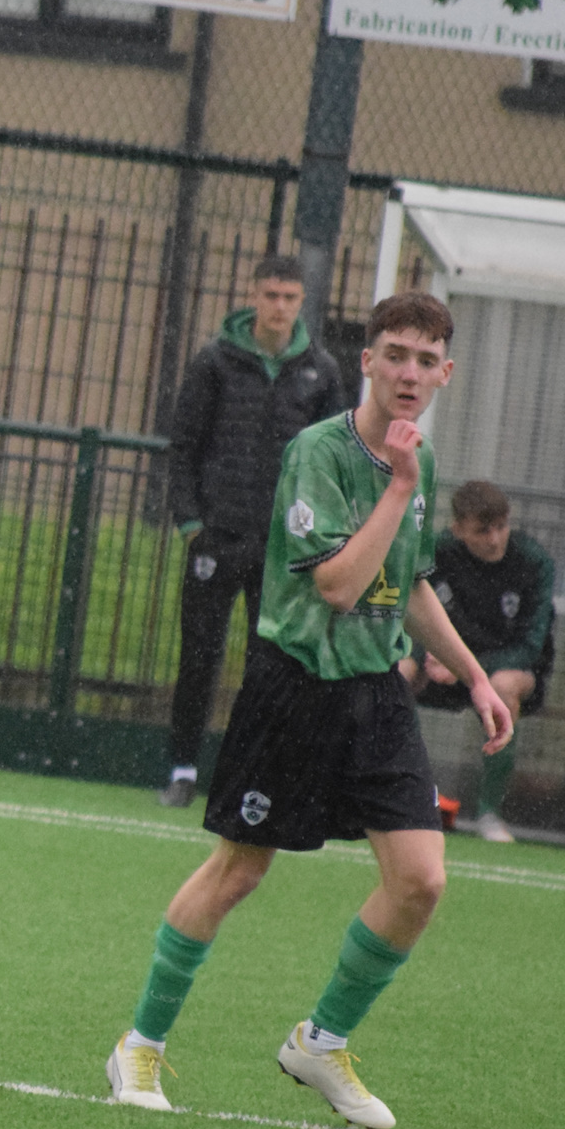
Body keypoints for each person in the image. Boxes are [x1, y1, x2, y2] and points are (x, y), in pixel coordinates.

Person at [104, 291, 511, 1129]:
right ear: (366, 361)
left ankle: (321, 1042)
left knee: (421, 880)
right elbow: (336, 583)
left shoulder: (419, 464)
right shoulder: (319, 452)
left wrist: (472, 674)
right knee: (240, 871)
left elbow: (411, 583)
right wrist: (396, 489)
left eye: (425, 359)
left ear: (446, 373)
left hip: (374, 694)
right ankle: (139, 1044)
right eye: (394, 353)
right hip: (291, 687)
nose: (409, 372)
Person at [159, 254, 348, 807]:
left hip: (282, 549)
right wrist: (194, 525)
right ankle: (182, 770)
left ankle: (251, 774)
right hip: (218, 538)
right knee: (198, 657)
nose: (280, 307)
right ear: (254, 295)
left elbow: (333, 459)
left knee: (270, 665)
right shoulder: (215, 362)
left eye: (290, 298)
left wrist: (314, 536)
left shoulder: (323, 371)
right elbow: (184, 447)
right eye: (271, 295)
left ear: (301, 303)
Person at [396, 480, 554, 843]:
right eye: (483, 531)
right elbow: (409, 615)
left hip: (504, 671)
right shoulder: (437, 553)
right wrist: (425, 655)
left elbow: (531, 645)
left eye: (501, 526)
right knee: (397, 674)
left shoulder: (533, 562)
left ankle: (488, 812)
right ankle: (384, 792)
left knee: (503, 687)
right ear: (458, 530)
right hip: (441, 666)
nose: (495, 538)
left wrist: (466, 667)